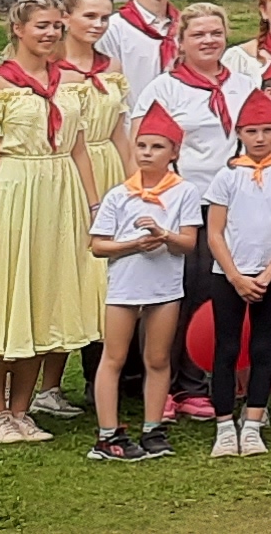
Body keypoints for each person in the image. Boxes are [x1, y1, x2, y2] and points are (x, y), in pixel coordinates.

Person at [0, 0, 103, 443]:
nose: (50, 34)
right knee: (3, 297)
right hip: (14, 192)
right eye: (40, 26)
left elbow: (80, 149)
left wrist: (93, 207)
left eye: (55, 26)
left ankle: (23, 409)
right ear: (18, 29)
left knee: (43, 297)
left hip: (58, 193)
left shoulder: (70, 83)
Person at [83, 108, 194, 461]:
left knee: (158, 358)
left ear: (174, 152)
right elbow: (98, 245)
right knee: (113, 357)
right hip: (125, 287)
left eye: (157, 146)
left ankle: (153, 427)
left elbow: (189, 242)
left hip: (164, 286)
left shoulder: (184, 192)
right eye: (142, 145)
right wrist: (133, 244)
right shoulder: (119, 195)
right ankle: (107, 433)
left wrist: (163, 235)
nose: (147, 153)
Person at [204, 90, 271, 454]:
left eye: (267, 130)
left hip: (270, 275)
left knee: (263, 346)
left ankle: (253, 422)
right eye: (252, 131)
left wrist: (270, 272)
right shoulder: (227, 177)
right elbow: (215, 231)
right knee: (227, 347)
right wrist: (234, 276)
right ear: (240, 134)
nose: (260, 138)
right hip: (229, 275)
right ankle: (223, 426)